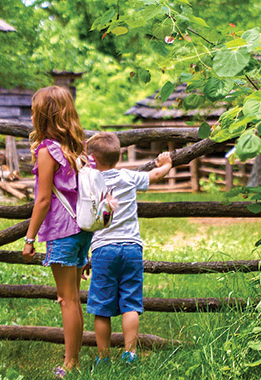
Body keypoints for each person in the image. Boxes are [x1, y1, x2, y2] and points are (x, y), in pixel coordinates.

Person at [83, 132, 172, 364]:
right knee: (130, 303)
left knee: (102, 307)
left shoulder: (88, 181)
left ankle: (103, 357)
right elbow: (155, 174)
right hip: (132, 248)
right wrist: (167, 163)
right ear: (118, 156)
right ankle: (130, 353)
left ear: (92, 159)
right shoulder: (127, 177)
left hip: (103, 250)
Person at [22, 86, 92, 378]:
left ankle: (71, 363)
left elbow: (42, 200)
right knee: (73, 296)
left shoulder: (46, 151)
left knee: (67, 299)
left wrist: (29, 238)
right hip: (82, 229)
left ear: (43, 115)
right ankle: (73, 358)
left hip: (62, 230)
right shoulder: (77, 147)